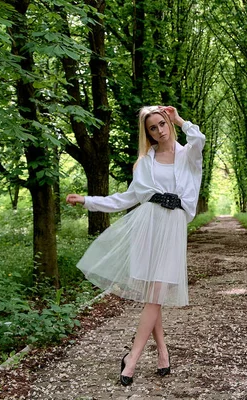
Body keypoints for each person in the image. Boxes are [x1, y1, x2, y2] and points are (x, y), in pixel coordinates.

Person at [66, 105, 205, 386]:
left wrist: (181, 119)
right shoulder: (144, 162)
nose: (160, 131)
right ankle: (163, 354)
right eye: (152, 128)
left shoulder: (188, 155)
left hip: (173, 229)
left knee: (155, 295)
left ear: (170, 123)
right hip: (148, 227)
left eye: (163, 124)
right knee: (152, 298)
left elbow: (199, 139)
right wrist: (88, 200)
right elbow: (126, 198)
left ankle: (132, 358)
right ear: (147, 133)